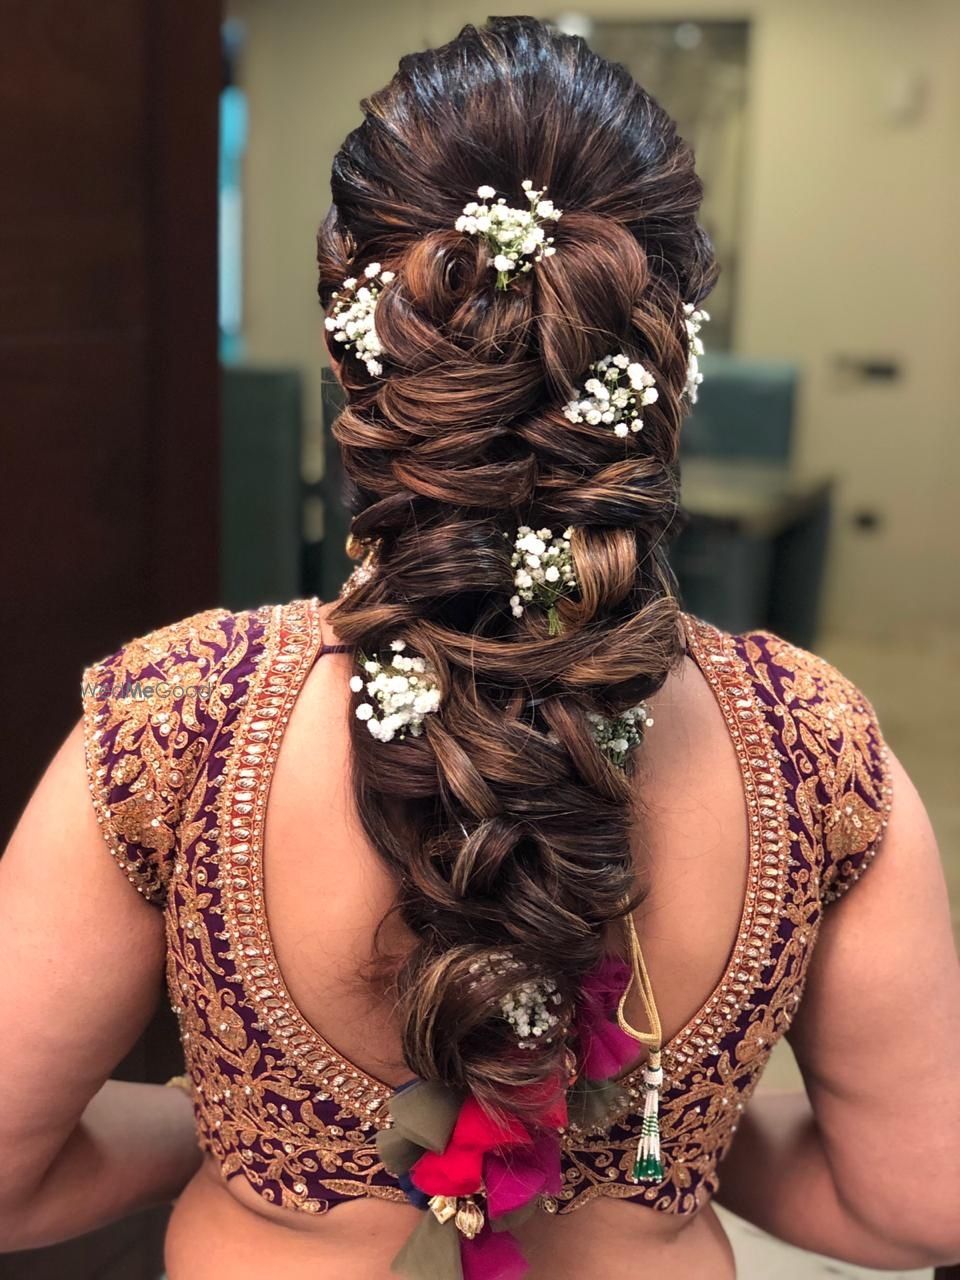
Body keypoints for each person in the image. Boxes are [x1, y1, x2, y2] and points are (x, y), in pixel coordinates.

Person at [1, 17, 958, 1280]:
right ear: (665, 352)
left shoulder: (180, 718)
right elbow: (919, 1202)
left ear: (361, 345)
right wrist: (681, 1141)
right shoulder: (811, 741)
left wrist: (246, 1132)